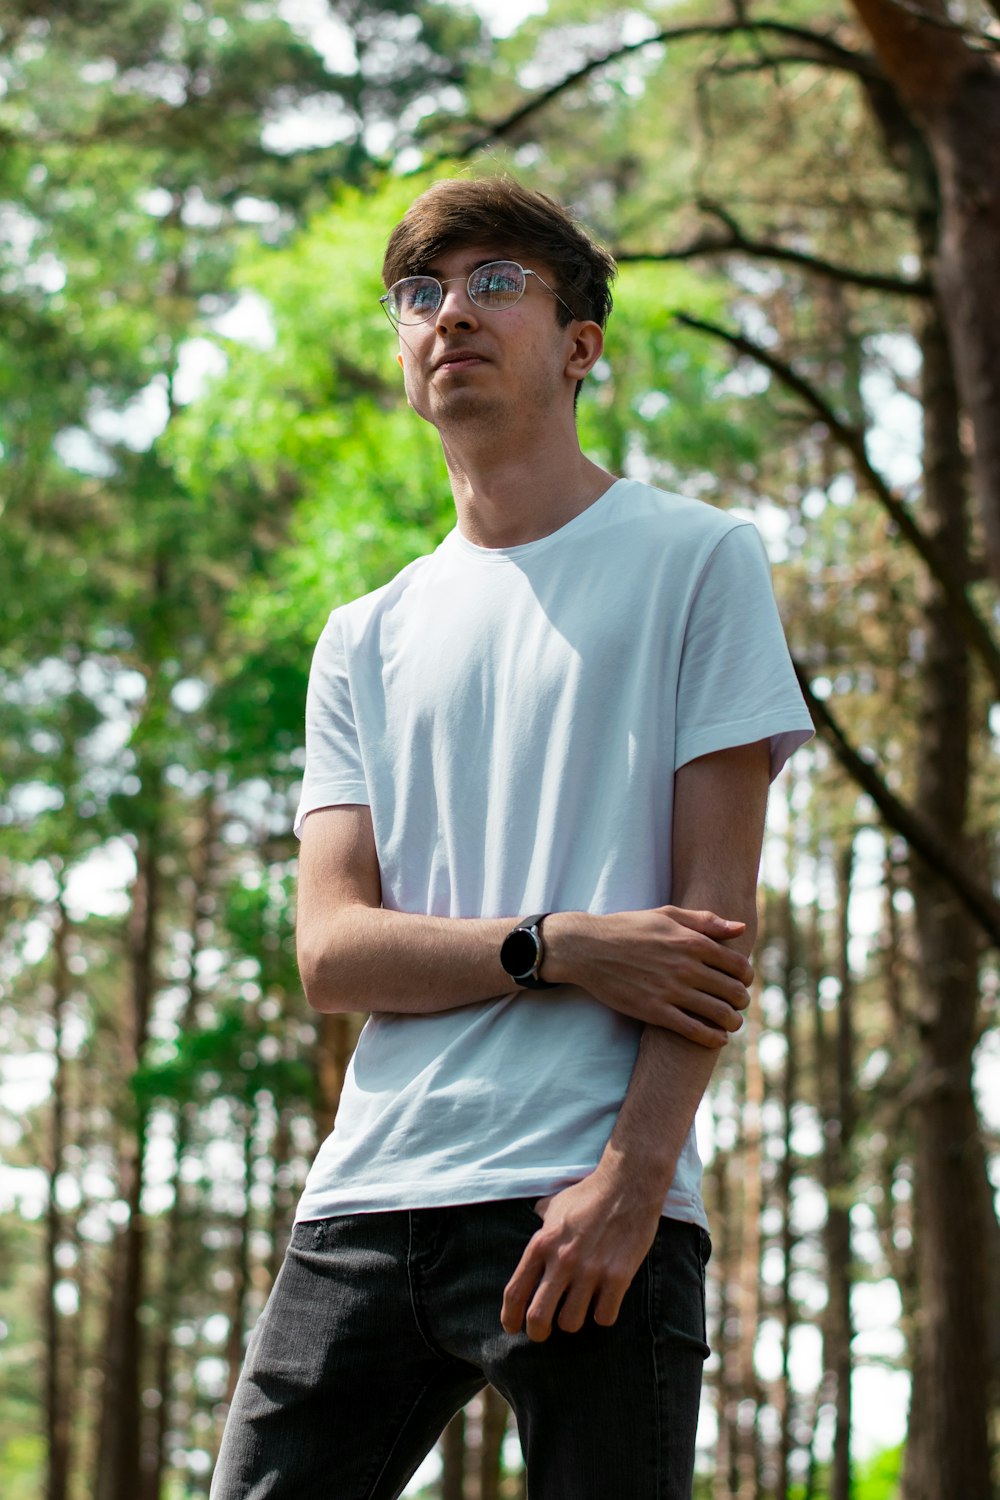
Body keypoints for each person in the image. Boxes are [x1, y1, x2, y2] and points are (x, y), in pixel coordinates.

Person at [211, 176, 813, 1500]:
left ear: (581, 341)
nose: (450, 317)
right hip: (368, 1197)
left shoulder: (698, 559)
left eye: (495, 285)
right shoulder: (361, 634)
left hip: (584, 1197)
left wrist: (634, 1183)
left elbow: (714, 921)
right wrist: (557, 946)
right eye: (419, 294)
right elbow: (331, 952)